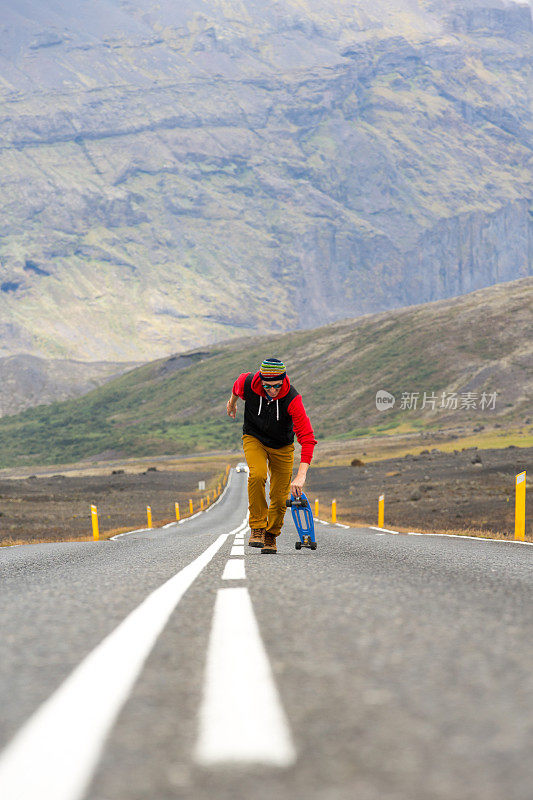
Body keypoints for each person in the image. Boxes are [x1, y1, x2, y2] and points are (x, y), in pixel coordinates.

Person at [226, 357, 316, 554]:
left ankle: (271, 535)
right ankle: (257, 527)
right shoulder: (248, 382)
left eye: (276, 386)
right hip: (254, 437)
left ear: (283, 380)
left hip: (282, 446)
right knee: (257, 475)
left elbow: (307, 439)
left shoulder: (292, 399)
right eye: (267, 386)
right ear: (261, 380)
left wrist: (301, 476)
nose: (272, 390)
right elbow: (236, 387)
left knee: (279, 495)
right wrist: (232, 404)